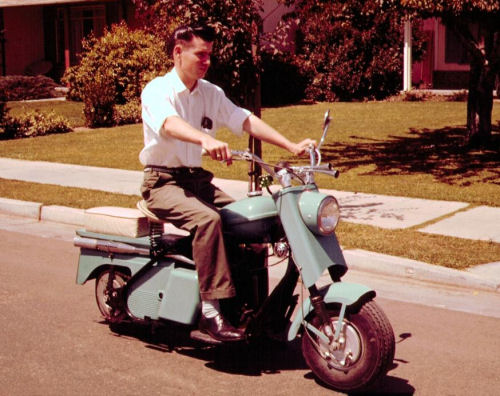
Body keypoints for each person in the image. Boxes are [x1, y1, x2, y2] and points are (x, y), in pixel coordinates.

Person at [139, 24, 315, 342]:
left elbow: (243, 119)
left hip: (197, 182)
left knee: (250, 219)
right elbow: (170, 124)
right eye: (200, 54)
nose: (207, 61)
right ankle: (211, 313)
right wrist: (204, 141)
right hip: (162, 183)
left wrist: (289, 146)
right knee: (208, 221)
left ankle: (247, 303)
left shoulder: (210, 93)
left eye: (210, 55)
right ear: (178, 52)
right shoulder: (156, 90)